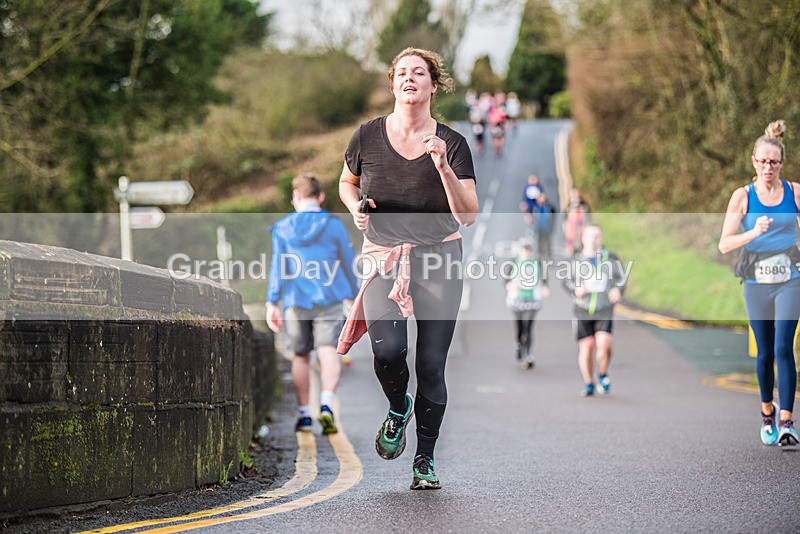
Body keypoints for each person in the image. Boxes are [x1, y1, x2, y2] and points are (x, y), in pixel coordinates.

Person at [337, 47, 478, 490]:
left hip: (438, 258)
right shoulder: (366, 136)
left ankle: (424, 460)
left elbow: (468, 214)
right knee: (387, 352)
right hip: (384, 256)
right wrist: (356, 210)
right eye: (402, 72)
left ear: (434, 85)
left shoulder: (452, 144)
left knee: (431, 364)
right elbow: (346, 182)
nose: (409, 78)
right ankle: (399, 406)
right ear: (393, 83)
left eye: (419, 73)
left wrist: (442, 168)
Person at [718, 119, 800, 447]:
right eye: (763, 161)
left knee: (784, 347)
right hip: (755, 280)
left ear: (782, 163)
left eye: (774, 162)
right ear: (753, 161)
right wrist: (753, 232)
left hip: (790, 279)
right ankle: (767, 411)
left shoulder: (794, 192)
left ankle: (787, 422)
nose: (768, 167)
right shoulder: (742, 196)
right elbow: (724, 244)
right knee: (764, 352)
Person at [266, 174, 359, 435]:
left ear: (296, 196)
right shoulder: (333, 225)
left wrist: (272, 301)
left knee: (300, 355)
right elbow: (347, 260)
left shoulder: (283, 227)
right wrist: (354, 294)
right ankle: (327, 404)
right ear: (320, 197)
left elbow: (278, 267)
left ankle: (305, 414)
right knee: (328, 351)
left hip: (296, 300)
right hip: (330, 296)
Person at [563, 224, 627, 397]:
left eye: (597, 236)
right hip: (582, 310)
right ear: (583, 238)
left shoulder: (610, 257)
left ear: (601, 238)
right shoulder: (575, 259)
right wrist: (575, 289)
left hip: (604, 308)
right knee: (588, 347)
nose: (593, 239)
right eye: (590, 236)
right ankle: (589, 382)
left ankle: (603, 373)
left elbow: (621, 279)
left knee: (605, 345)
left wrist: (618, 290)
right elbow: (566, 280)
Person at [504, 239, 549, 369]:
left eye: (528, 249)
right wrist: (510, 286)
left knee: (528, 326)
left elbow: (544, 278)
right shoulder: (514, 262)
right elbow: (506, 281)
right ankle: (518, 344)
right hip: (517, 299)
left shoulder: (537, 262)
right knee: (519, 326)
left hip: (532, 299)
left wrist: (545, 288)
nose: (526, 252)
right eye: (524, 249)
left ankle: (528, 354)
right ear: (520, 250)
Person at [563, 187, 591, 257]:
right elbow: (565, 217)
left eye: (575, 193)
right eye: (572, 194)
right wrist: (565, 227)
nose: (573, 195)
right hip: (571, 229)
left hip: (582, 228)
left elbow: (588, 217)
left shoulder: (583, 205)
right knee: (572, 246)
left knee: (582, 244)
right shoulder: (568, 205)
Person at [531, 192, 556, 261]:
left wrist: (551, 226)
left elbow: (553, 217)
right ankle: (539, 254)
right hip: (538, 227)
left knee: (547, 241)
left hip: (546, 226)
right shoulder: (535, 207)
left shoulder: (549, 207)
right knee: (538, 241)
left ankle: (548, 255)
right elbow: (531, 217)